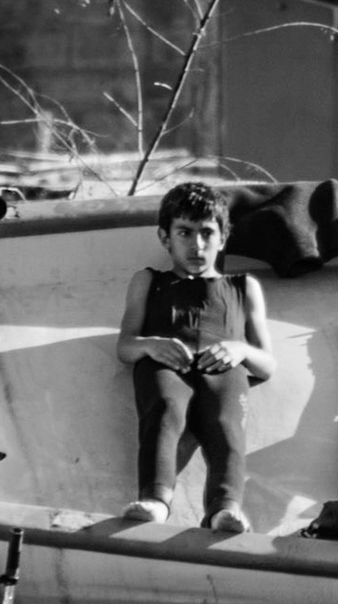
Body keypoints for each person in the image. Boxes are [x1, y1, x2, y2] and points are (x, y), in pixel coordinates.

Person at [117, 183, 275, 532]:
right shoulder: (147, 281)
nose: (197, 245)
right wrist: (149, 345)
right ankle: (156, 500)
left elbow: (267, 365)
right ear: (165, 237)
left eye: (207, 233)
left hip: (224, 369)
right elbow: (125, 347)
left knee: (226, 424)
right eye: (185, 233)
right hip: (164, 364)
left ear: (223, 238)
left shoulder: (243, 287)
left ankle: (223, 509)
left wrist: (241, 350)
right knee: (165, 410)